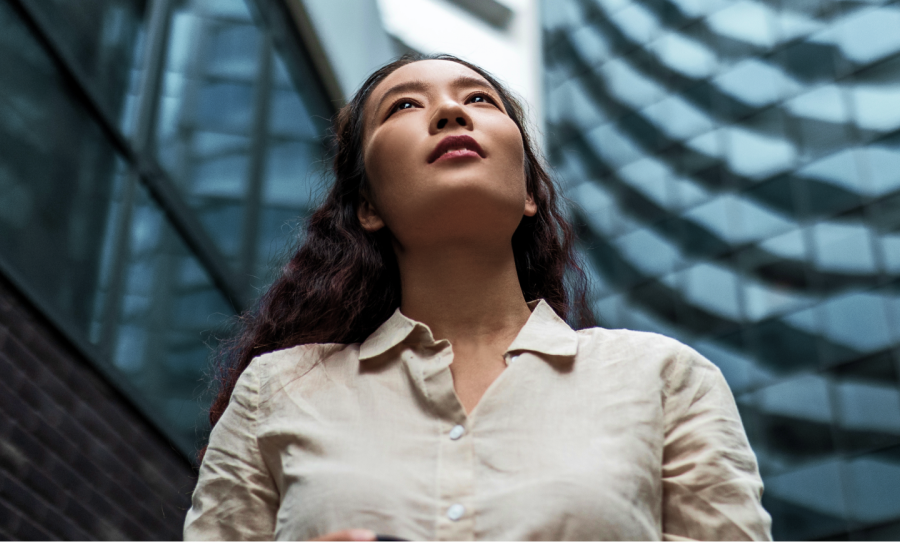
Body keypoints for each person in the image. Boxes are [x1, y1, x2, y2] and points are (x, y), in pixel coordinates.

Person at [183, 54, 772, 542]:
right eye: (405, 106)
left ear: (528, 196)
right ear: (368, 207)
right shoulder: (275, 391)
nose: (449, 110)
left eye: (481, 99)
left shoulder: (665, 378)